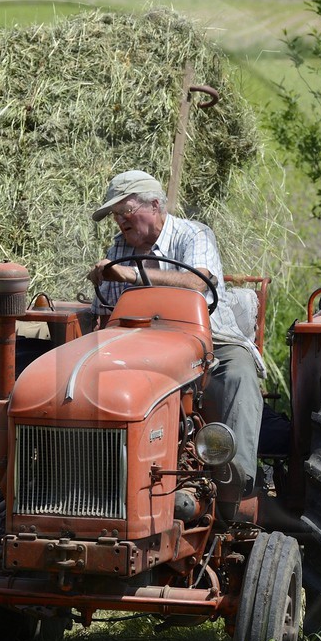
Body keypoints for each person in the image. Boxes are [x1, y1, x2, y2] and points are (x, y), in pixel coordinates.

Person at [87, 169, 264, 504]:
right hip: (140, 343)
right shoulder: (119, 247)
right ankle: (102, 476)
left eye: (125, 211)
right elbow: (108, 311)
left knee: (238, 373)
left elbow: (199, 284)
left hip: (209, 339)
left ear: (155, 206)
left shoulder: (193, 235)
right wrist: (101, 281)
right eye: (114, 215)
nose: (119, 222)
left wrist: (132, 273)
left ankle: (234, 486)